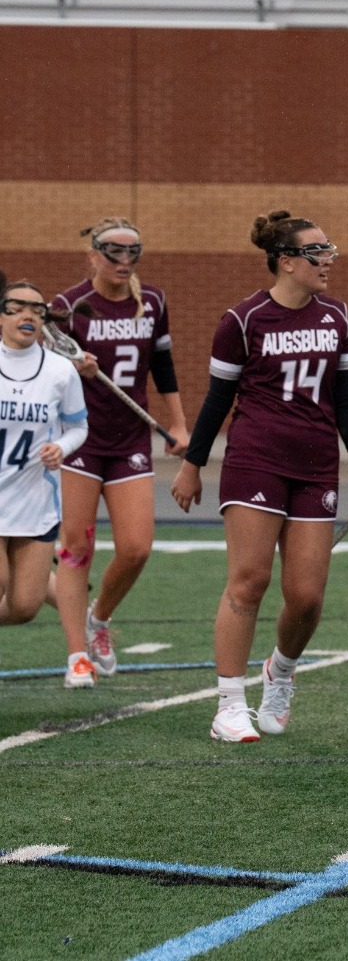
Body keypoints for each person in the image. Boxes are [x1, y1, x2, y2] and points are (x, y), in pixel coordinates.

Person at [170, 211, 348, 744]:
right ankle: (229, 704)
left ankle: (279, 673)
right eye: (318, 252)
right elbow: (218, 400)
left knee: (307, 597)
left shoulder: (339, 316)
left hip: (316, 467)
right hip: (254, 461)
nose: (328, 260)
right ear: (287, 261)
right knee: (249, 579)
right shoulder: (241, 320)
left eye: (330, 249)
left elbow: (347, 400)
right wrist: (192, 466)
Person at [51, 217, 191, 685]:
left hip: (130, 439)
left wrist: (178, 424)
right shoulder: (68, 307)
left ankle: (100, 618)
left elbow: (164, 366)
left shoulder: (151, 302)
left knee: (136, 548)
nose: (124, 261)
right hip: (80, 440)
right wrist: (73, 367)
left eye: (133, 252)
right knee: (75, 548)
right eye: (113, 252)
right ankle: (77, 657)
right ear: (92, 255)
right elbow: (43, 372)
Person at [0, 282, 89, 684]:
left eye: (37, 310)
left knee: (24, 606)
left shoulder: (60, 371)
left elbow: (79, 427)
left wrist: (60, 446)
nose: (28, 315)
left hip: (34, 501)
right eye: (17, 307)